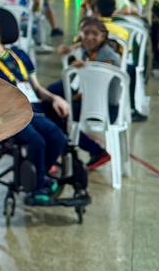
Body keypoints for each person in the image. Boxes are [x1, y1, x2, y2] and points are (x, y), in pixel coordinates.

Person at [0, 9, 70, 206]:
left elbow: (37, 88)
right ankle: (37, 186)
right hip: (8, 116)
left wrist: (55, 98)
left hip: (33, 110)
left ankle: (35, 176)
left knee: (58, 137)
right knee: (37, 141)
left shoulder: (20, 55)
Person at [50, 18, 119, 171]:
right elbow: (78, 46)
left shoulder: (110, 57)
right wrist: (69, 49)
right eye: (86, 33)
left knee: (58, 113)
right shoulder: (89, 50)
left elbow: (99, 82)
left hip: (104, 109)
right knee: (52, 95)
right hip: (89, 101)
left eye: (95, 34)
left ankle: (92, 151)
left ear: (103, 36)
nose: (89, 37)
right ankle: (62, 153)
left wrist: (87, 67)